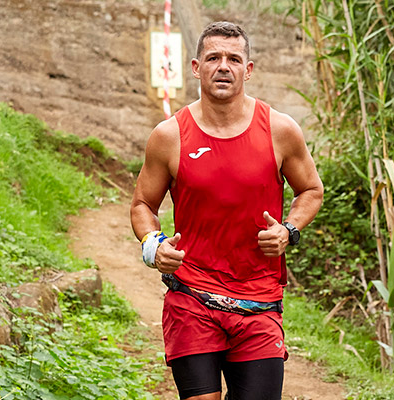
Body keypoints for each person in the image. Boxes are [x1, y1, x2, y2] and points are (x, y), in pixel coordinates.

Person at [129, 21, 324, 400]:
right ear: (196, 67)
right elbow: (142, 205)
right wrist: (154, 245)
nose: (223, 66)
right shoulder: (169, 135)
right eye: (213, 57)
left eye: (234, 59)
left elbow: (311, 190)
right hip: (192, 297)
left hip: (259, 302)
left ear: (248, 70)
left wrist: (289, 229)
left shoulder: (280, 130)